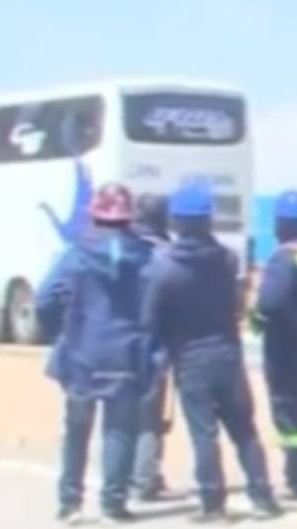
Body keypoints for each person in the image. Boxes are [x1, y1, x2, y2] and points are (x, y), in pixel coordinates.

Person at [144, 181, 280, 523]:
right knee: (244, 429)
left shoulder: (164, 269)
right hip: (228, 353)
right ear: (207, 220)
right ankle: (262, 496)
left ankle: (213, 505)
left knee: (204, 434)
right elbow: (236, 304)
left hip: (190, 358)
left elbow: (150, 320)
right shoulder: (227, 260)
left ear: (176, 222)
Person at [36, 182, 155, 525]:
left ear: (95, 215)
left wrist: (61, 329)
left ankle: (70, 503)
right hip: (128, 354)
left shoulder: (75, 254)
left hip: (81, 353)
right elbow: (157, 307)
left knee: (76, 429)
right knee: (120, 430)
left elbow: (44, 299)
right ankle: (114, 504)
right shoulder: (145, 256)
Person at [249, 189, 297, 499]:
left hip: (286, 349)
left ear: (282, 223)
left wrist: (256, 318)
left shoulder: (285, 257)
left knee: (288, 412)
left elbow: (270, 301)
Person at [129, 193, 173, 501]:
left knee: (120, 415)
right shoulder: (168, 254)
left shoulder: (121, 248)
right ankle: (145, 478)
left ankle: (121, 477)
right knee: (150, 416)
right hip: (155, 345)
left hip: (119, 342)